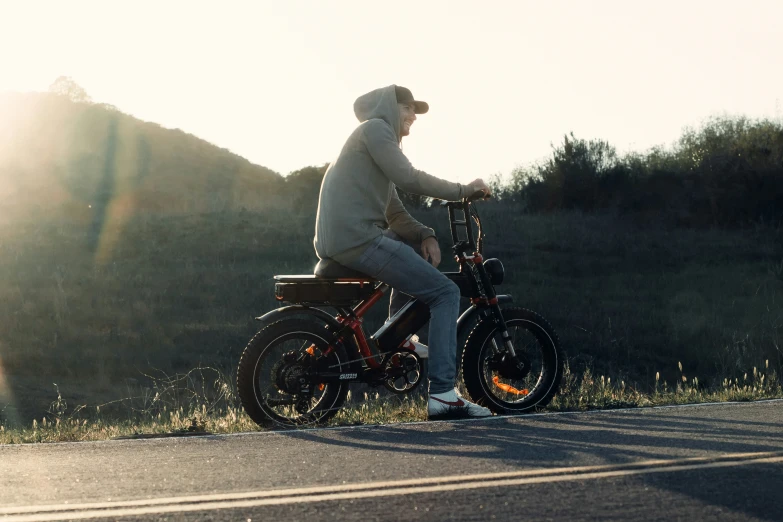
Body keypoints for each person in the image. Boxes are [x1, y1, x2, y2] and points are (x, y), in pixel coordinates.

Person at [313, 85, 492, 420]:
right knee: (445, 292)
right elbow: (410, 178)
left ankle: (402, 336)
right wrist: (463, 190)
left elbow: (395, 214)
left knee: (401, 240)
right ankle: (442, 394)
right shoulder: (376, 130)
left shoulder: (372, 145)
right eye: (409, 108)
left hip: (346, 239)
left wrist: (425, 234)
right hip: (357, 240)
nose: (413, 117)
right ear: (390, 107)